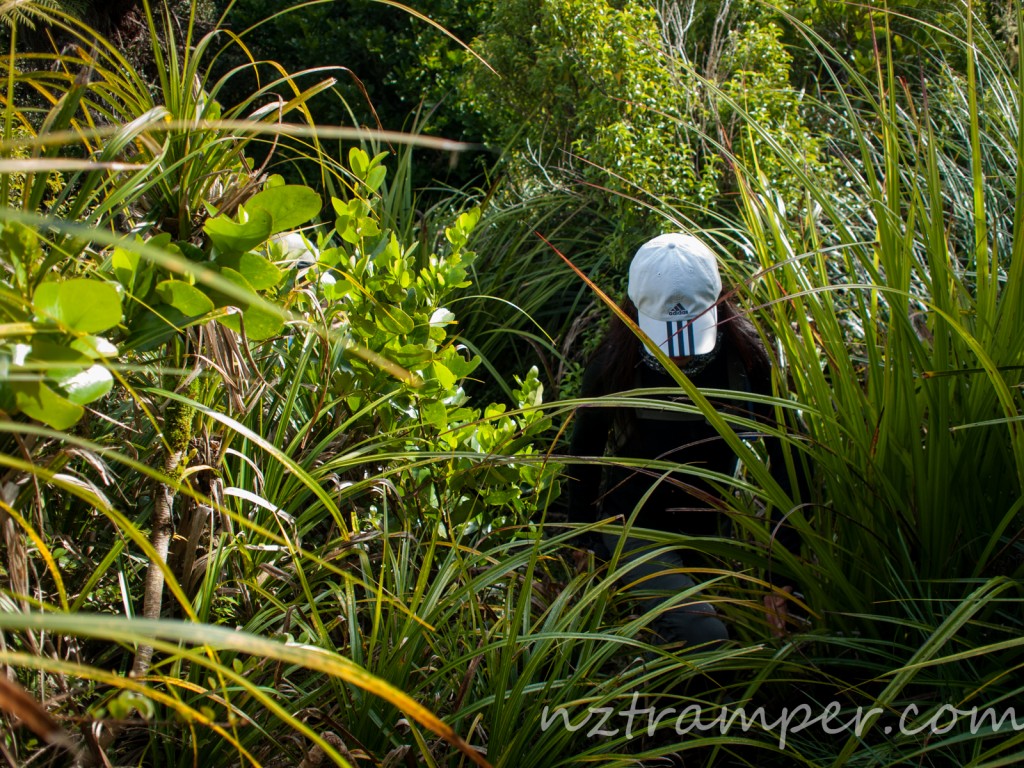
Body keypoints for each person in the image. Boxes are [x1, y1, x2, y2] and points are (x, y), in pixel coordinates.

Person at [565, 232, 802, 647]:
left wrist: (780, 576)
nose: (679, 353)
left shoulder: (747, 359)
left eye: (689, 333)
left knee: (762, 639)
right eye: (665, 336)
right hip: (636, 528)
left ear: (717, 305)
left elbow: (791, 458)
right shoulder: (614, 363)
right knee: (707, 637)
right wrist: (582, 540)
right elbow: (584, 454)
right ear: (636, 312)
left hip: (715, 530)